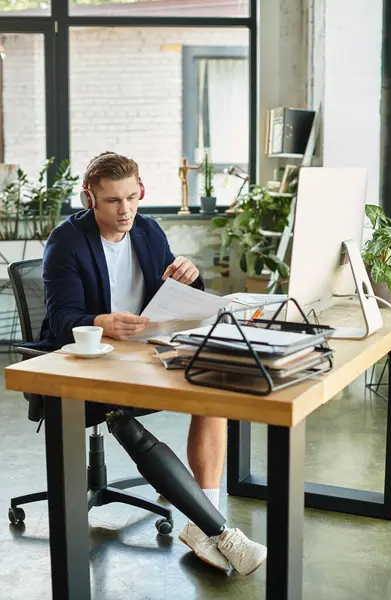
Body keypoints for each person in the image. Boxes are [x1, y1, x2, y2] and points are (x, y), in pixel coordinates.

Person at [40, 151, 267, 576]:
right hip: (90, 360)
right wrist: (102, 321)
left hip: (145, 350)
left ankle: (205, 523)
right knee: (121, 416)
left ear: (140, 190)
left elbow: (178, 297)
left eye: (132, 197)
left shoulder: (147, 230)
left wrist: (191, 276)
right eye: (112, 201)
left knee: (211, 392)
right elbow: (61, 319)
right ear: (90, 198)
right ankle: (219, 532)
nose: (125, 210)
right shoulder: (66, 241)